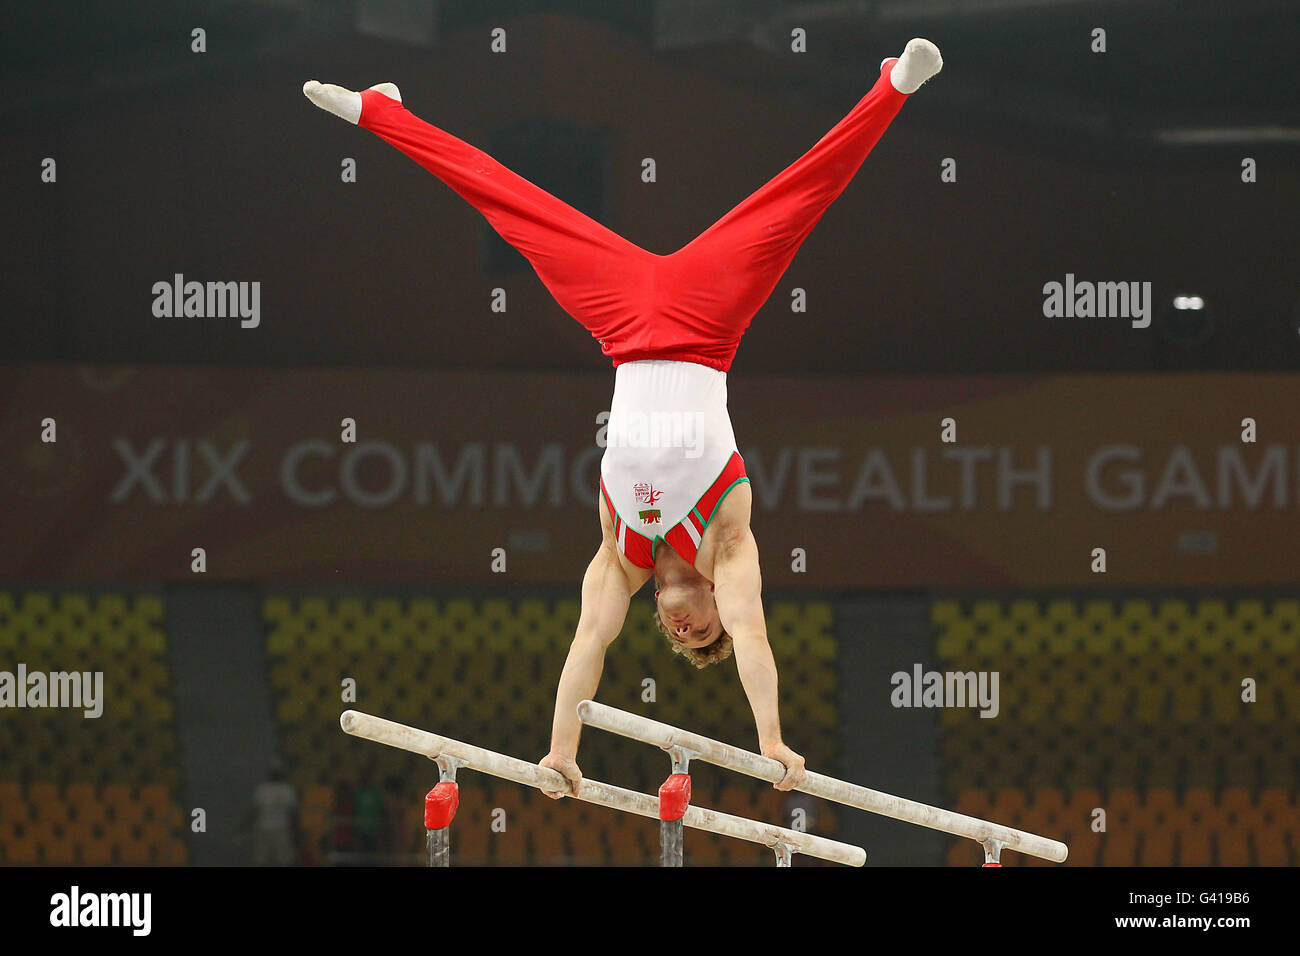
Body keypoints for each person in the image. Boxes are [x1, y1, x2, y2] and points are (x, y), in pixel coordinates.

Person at [303, 38, 943, 799]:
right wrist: (772, 740)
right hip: (709, 324)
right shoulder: (730, 544)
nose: (686, 629)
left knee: (514, 208)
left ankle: (382, 113)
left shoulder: (619, 555)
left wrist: (561, 751)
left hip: (622, 327)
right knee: (798, 201)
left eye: (681, 638)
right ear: (713, 605)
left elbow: (588, 644)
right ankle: (893, 88)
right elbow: (757, 636)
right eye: (703, 629)